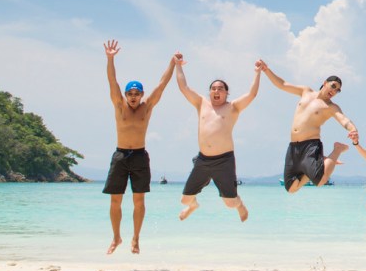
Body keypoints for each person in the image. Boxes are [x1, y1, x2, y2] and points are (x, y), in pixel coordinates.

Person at [102, 40, 176, 255]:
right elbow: (112, 81)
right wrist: (110, 58)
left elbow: (162, 84)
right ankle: (116, 237)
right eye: (130, 94)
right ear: (126, 95)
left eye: (137, 93)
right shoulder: (119, 105)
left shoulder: (147, 107)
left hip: (140, 156)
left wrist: (172, 63)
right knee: (115, 200)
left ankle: (135, 238)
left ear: (142, 95)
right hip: (120, 155)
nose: (133, 97)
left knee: (139, 201)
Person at [173, 53, 260, 222]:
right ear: (210, 92)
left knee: (230, 203)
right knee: (185, 199)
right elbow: (184, 87)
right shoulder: (201, 103)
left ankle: (240, 204)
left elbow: (252, 94)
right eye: (213, 88)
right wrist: (178, 65)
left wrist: (257, 72)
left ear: (227, 93)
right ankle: (193, 206)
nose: (216, 91)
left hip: (224, 161)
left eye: (220, 88)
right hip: (203, 159)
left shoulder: (233, 107)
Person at [256, 60, 358, 192]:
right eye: (333, 86)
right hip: (293, 147)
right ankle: (319, 163)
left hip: (310, 146)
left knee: (321, 180)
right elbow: (283, 84)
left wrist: (353, 130)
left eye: (337, 90)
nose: (334, 91)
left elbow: (344, 120)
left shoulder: (330, 107)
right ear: (325, 83)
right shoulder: (306, 91)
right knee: (291, 188)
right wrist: (266, 70)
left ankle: (337, 149)